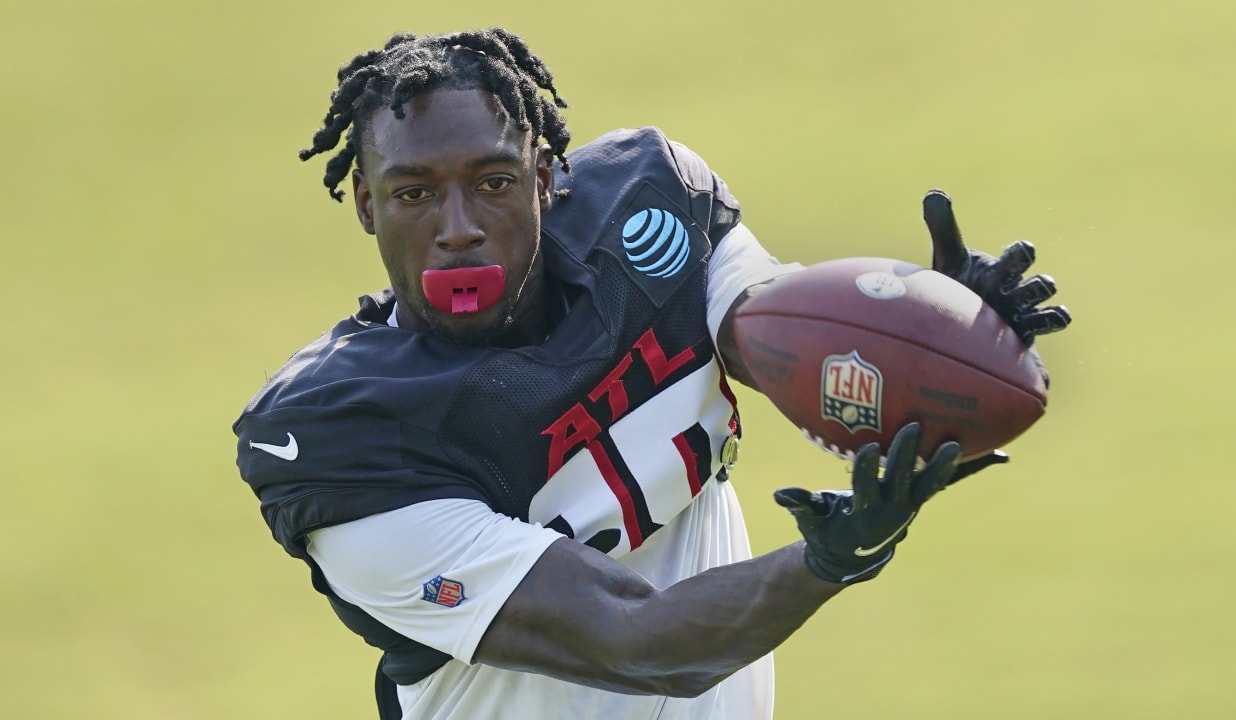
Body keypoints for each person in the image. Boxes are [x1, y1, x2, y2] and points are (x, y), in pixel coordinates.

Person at [232, 28, 1071, 720]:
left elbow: (774, 335)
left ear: (548, 177)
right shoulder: (348, 435)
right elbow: (644, 642)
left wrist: (931, 330)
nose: (459, 229)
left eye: (493, 183)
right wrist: (835, 558)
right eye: (414, 194)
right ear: (367, 204)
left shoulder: (649, 215)